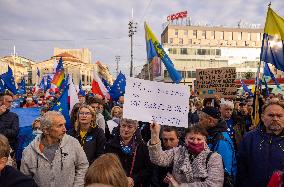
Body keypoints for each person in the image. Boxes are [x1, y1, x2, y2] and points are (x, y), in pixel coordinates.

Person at [20, 111, 89, 187]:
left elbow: (83, 166)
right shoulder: (29, 152)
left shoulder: (73, 143)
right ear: (46, 130)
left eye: (64, 124)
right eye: (59, 126)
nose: (65, 129)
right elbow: (25, 180)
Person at [148, 124, 224, 186]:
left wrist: (179, 186)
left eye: (199, 139)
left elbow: (214, 184)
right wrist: (154, 134)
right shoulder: (178, 152)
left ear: (205, 140)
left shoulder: (214, 158)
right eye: (191, 138)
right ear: (185, 139)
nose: (195, 142)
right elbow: (158, 159)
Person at [237, 102, 284, 186]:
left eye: (279, 116)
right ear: (262, 117)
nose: (275, 119)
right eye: (271, 115)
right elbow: (241, 169)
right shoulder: (249, 138)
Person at [105, 118, 152, 187]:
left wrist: (133, 179)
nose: (126, 129)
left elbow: (148, 169)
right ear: (119, 127)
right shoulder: (110, 146)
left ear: (135, 129)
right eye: (123, 126)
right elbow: (106, 166)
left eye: (130, 127)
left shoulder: (142, 147)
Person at [198, 106, 237, 184]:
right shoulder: (211, 135)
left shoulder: (222, 141)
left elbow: (225, 171)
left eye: (201, 119)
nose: (199, 122)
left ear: (210, 120)